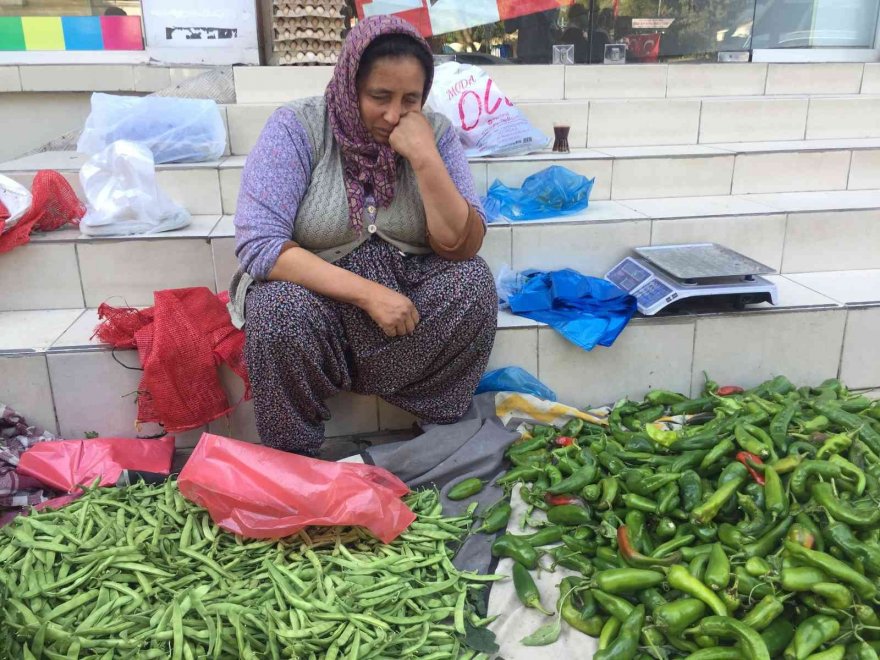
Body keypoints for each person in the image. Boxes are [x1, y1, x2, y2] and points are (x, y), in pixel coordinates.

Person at [229, 15, 498, 457]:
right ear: (350, 83)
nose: (394, 115)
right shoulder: (298, 127)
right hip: (319, 297)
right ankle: (295, 455)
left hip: (410, 297)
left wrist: (426, 156)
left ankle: (437, 430)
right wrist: (370, 294)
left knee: (472, 282)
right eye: (379, 96)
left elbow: (461, 244)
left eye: (410, 99)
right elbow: (260, 245)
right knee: (277, 310)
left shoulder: (437, 133)